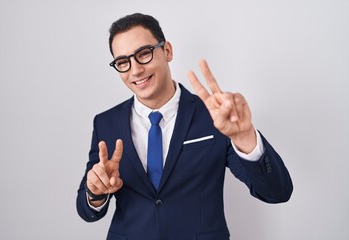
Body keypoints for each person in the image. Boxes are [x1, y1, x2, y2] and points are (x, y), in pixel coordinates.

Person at [76, 13, 293, 240]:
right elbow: (86, 210)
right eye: (123, 62)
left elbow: (277, 192)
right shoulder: (106, 123)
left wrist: (245, 137)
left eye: (143, 54)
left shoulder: (215, 116)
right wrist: (95, 193)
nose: (135, 70)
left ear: (167, 51)